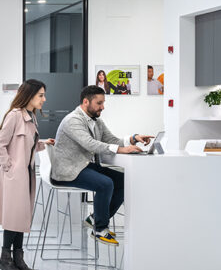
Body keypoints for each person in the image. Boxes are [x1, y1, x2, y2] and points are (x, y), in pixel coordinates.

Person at [49, 85, 152, 246]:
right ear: (85, 102)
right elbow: (90, 144)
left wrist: (133, 138)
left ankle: (94, 218)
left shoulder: (96, 121)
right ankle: (100, 229)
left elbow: (112, 140)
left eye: (103, 103)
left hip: (83, 166)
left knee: (124, 181)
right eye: (99, 103)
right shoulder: (73, 120)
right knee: (105, 184)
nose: (102, 107)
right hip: (68, 171)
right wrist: (122, 150)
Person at [0, 79, 55, 270]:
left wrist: (43, 142)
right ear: (30, 95)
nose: (44, 99)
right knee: (13, 217)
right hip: (14, 175)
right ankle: (5, 258)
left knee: (21, 217)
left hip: (26, 174)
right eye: (40, 95)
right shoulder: (14, 116)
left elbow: (27, 144)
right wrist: (10, 167)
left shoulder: (31, 116)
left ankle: (18, 258)